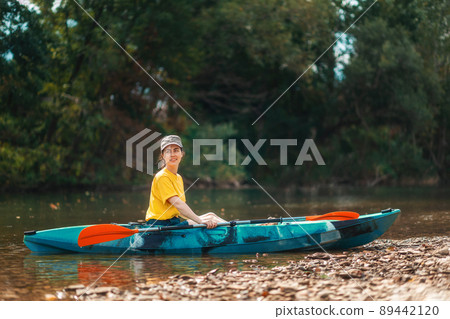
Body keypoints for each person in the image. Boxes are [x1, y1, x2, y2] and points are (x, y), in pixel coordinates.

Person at [145, 135, 226, 228]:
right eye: (168, 151)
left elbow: (179, 210)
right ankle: (237, 234)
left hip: (173, 223)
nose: (172, 154)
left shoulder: (178, 178)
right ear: (163, 155)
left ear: (181, 154)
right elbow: (178, 204)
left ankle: (236, 229)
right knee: (210, 219)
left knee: (211, 216)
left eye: (176, 150)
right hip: (159, 226)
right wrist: (199, 220)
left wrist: (197, 218)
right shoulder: (162, 176)